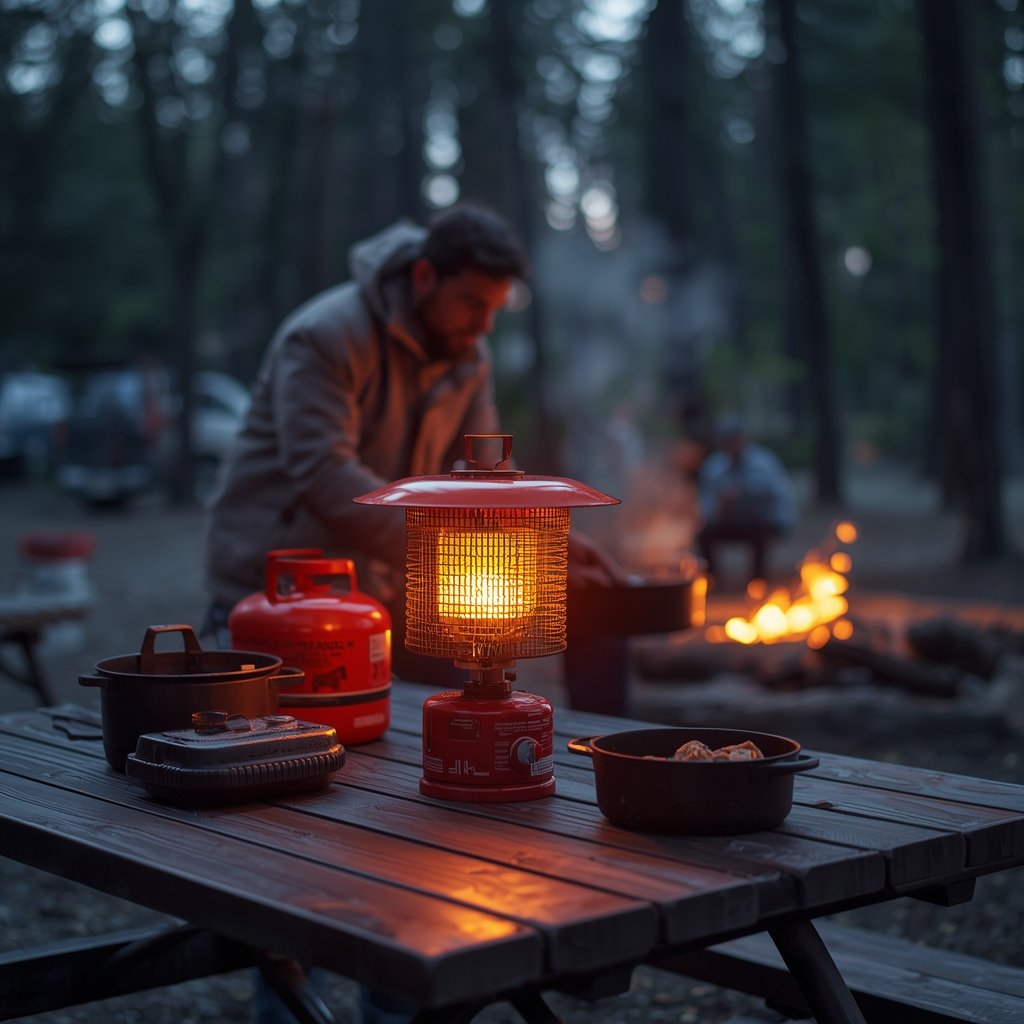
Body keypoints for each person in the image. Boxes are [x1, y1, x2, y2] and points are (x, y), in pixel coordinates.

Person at [695, 414, 797, 588]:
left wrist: (748, 494)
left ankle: (758, 583)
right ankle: (711, 582)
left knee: (761, 529)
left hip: (759, 522)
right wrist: (720, 506)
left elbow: (781, 498)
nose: (733, 445)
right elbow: (704, 505)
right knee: (703, 534)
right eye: (728, 440)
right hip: (728, 522)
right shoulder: (713, 467)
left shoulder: (764, 462)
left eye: (735, 439)